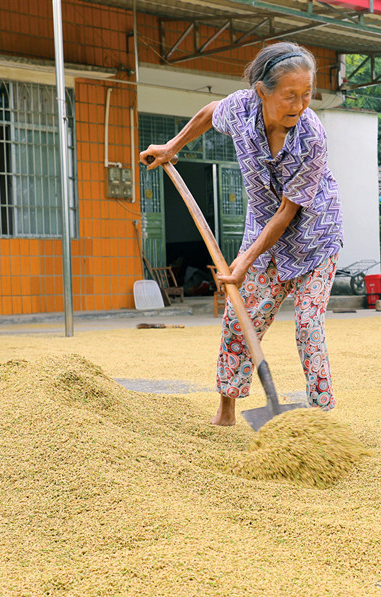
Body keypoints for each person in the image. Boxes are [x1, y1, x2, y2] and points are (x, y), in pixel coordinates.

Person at [140, 42, 343, 426]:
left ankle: (322, 419)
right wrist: (171, 146)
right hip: (263, 230)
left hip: (314, 239)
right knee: (239, 319)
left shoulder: (312, 137)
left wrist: (243, 261)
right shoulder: (240, 108)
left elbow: (287, 213)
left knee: (308, 326)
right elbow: (207, 113)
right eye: (290, 96)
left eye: (306, 94)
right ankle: (227, 409)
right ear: (262, 92)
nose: (300, 105)